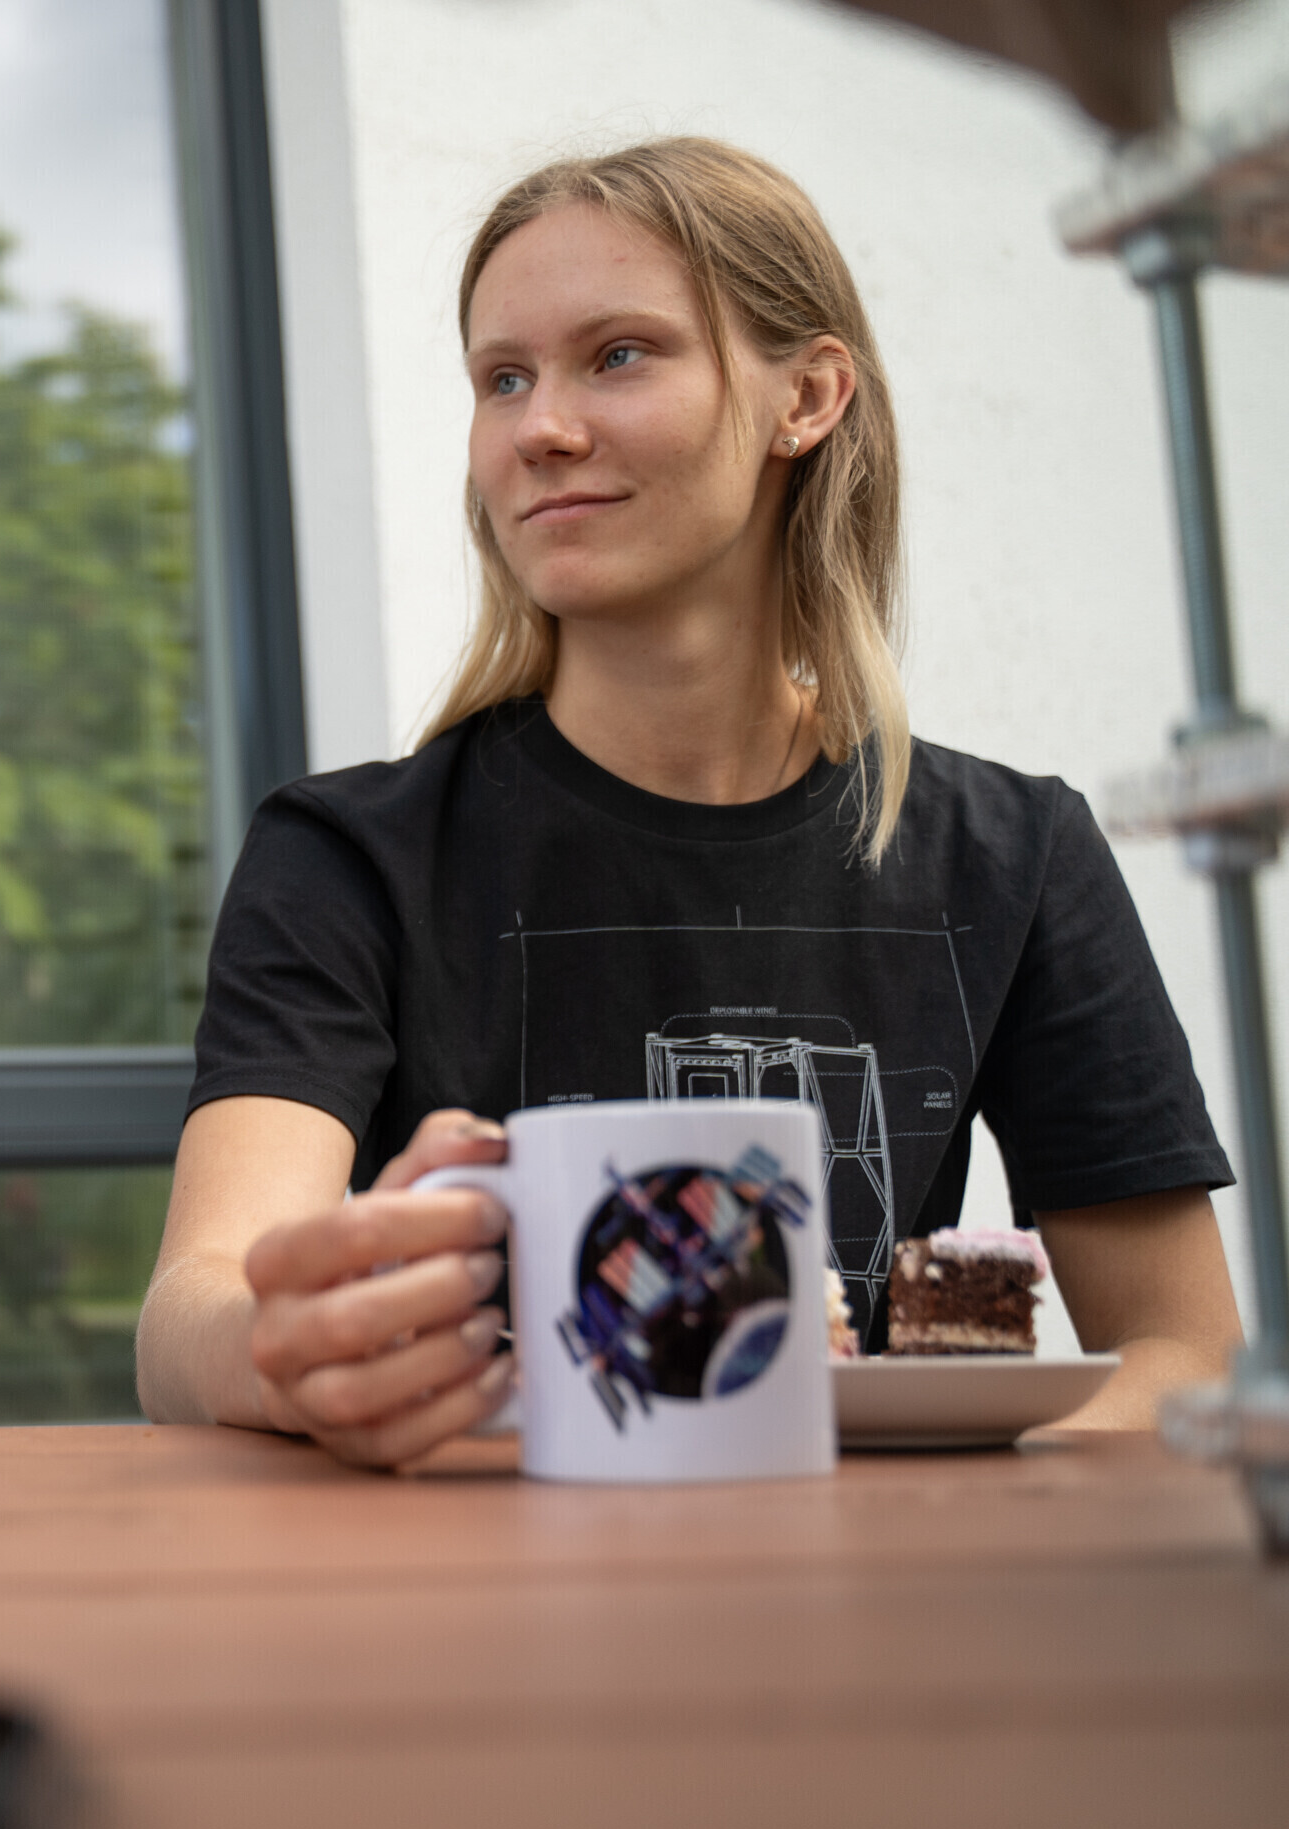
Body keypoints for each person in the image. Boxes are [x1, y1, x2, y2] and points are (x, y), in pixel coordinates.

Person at [136, 137, 1242, 1468]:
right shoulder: (347, 856)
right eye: (503, 378)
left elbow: (1188, 1350)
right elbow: (192, 1309)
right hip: (475, 1574)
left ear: (807, 397)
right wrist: (288, 1342)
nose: (541, 428)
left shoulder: (1014, 855)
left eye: (618, 355)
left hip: (870, 1578)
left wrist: (952, 1493)